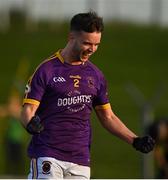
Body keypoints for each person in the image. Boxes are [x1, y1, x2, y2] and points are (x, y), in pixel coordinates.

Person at [20, 11, 155, 179]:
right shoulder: (46, 70)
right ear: (71, 37)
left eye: (97, 44)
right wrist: (30, 124)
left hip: (80, 159)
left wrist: (135, 140)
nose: (92, 49)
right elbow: (28, 110)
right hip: (48, 153)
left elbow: (108, 117)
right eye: (87, 43)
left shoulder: (96, 76)